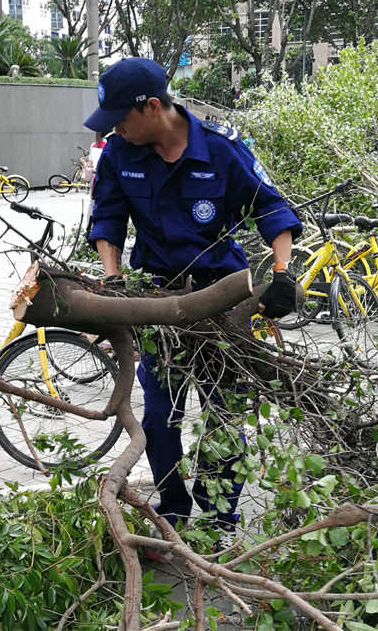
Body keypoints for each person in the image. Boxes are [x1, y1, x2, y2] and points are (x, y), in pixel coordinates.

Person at [84, 58, 302, 556]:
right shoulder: (120, 152)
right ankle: (175, 510)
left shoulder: (222, 149)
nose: (115, 128)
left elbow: (270, 207)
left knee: (224, 415)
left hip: (221, 303)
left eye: (121, 117)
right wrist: (114, 284)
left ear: (153, 107)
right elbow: (108, 219)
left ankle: (220, 514)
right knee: (159, 415)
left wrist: (285, 273)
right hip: (156, 303)